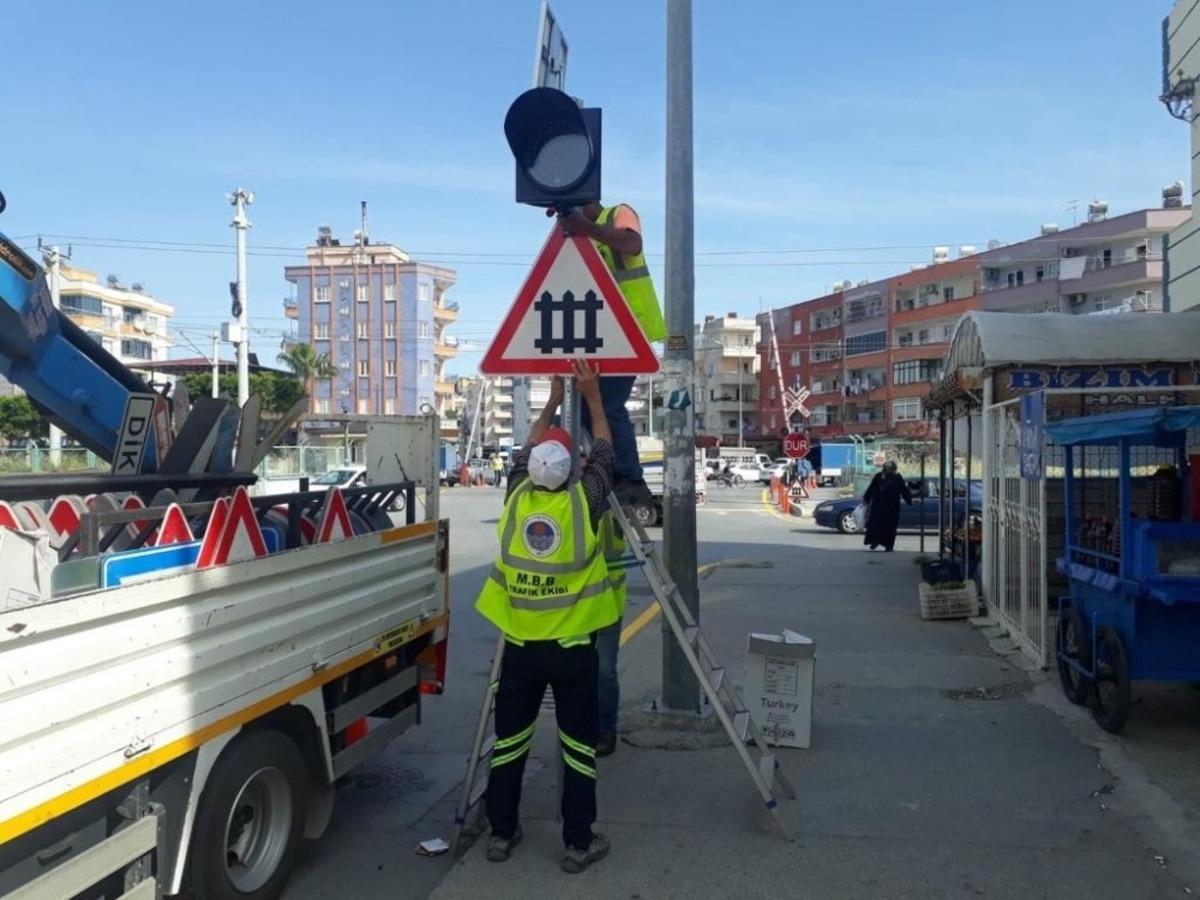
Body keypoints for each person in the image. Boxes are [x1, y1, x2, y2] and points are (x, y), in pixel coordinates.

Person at [475, 358, 618, 874]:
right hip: (573, 649)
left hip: (520, 647)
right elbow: (605, 451)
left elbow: (529, 446)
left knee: (510, 742)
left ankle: (501, 833)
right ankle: (578, 843)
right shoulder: (585, 502)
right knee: (578, 748)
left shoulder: (515, 497)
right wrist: (593, 396)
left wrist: (555, 399)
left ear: (532, 466)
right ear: (569, 470)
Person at [556, 201, 667, 506]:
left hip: (630, 328)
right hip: (600, 333)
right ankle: (608, 467)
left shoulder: (619, 214)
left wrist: (581, 226)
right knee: (584, 404)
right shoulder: (582, 234)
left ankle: (630, 478)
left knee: (608, 404)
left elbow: (632, 244)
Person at [594, 507, 627, 758]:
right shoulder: (570, 499)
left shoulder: (610, 503)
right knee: (580, 671)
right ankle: (584, 727)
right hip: (576, 607)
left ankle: (606, 731)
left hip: (608, 604)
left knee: (604, 672)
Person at [862, 460, 913, 552]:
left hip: (878, 506)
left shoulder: (878, 476)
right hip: (892, 507)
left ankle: (875, 541)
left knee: (876, 524)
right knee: (890, 527)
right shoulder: (897, 478)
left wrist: (866, 499)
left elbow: (871, 489)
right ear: (894, 468)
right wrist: (909, 501)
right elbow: (904, 490)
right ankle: (888, 546)